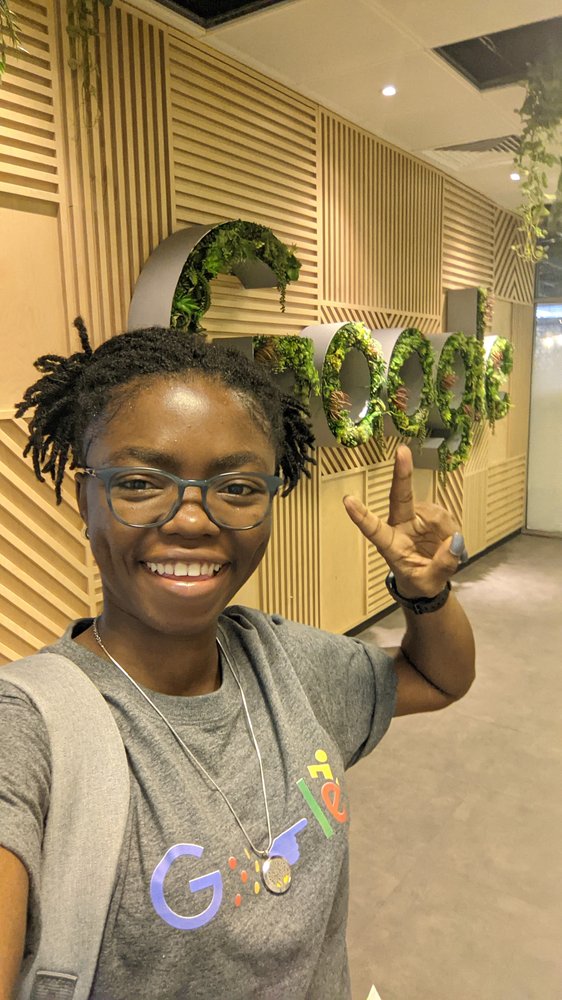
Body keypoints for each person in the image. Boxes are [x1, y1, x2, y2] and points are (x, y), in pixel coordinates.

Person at [0, 320, 475, 999]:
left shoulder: (289, 663)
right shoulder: (26, 730)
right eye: (140, 482)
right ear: (87, 499)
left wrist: (426, 596)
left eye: (239, 488)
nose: (193, 520)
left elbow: (439, 678)